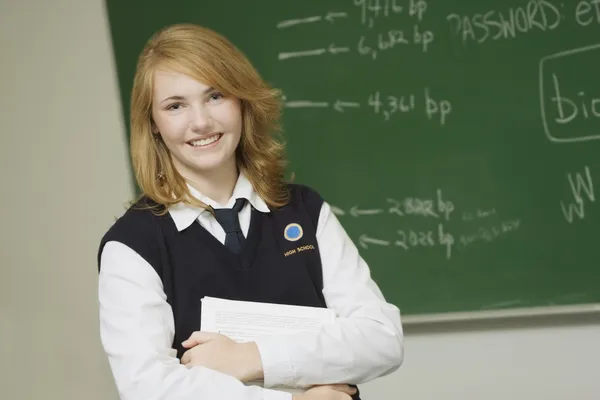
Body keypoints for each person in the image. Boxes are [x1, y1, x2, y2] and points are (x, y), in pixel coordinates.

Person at [97, 23, 404, 400]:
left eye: (215, 96)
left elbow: (382, 338)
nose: (201, 122)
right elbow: (147, 387)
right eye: (176, 106)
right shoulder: (132, 246)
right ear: (154, 125)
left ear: (242, 100)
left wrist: (250, 358)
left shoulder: (305, 211)